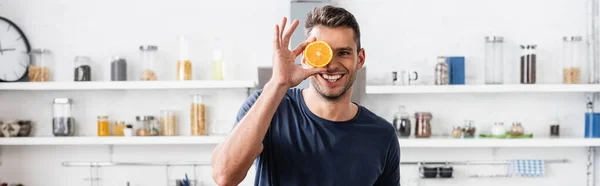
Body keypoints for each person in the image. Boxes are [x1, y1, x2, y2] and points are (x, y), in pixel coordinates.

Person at [211, 5, 400, 186]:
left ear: (360, 59)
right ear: (305, 58)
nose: (331, 65)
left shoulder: (383, 135)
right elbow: (224, 176)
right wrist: (278, 83)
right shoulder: (268, 106)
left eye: (343, 53)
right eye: (321, 53)